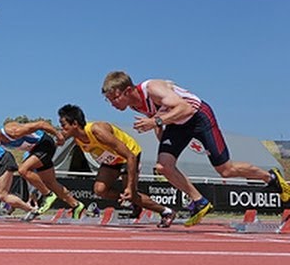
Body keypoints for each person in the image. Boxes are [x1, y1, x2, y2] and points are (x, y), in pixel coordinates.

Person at [101, 71, 290, 226]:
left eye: (114, 98)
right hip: (177, 125)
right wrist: (164, 144)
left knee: (225, 170)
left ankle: (270, 177)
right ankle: (200, 201)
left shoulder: (152, 88)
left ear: (127, 91)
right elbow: (158, 121)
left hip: (199, 117)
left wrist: (155, 121)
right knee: (163, 166)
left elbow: (186, 108)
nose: (113, 104)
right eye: (109, 100)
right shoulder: (135, 106)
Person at [58, 104, 176, 228]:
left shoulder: (97, 131)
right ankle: (133, 203)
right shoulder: (77, 139)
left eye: (63, 125)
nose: (62, 129)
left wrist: (130, 188)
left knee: (132, 193)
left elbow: (130, 156)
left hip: (129, 155)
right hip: (112, 160)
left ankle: (166, 212)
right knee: (100, 190)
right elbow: (60, 139)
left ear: (75, 124)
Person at [0, 120, 85, 221]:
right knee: (51, 183)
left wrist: (58, 135)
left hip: (45, 144)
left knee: (23, 170)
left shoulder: (12, 131)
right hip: (35, 151)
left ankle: (48, 195)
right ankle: (76, 205)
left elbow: (41, 124)